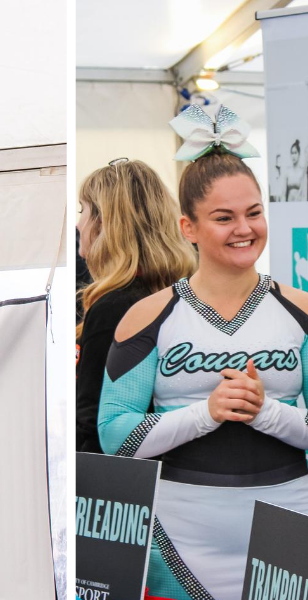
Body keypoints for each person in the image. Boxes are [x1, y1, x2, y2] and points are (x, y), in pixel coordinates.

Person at [98, 106, 308, 600]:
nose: (243, 229)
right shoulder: (146, 315)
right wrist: (205, 413)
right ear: (188, 227)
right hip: (179, 527)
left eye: (253, 213)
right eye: (223, 218)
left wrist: (266, 412)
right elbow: (114, 437)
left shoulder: (305, 310)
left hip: (289, 516)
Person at [76, 158, 193, 454]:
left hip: (123, 485)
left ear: (105, 223)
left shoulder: (115, 308)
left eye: (83, 211)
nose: (78, 224)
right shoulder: (186, 296)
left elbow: (93, 422)